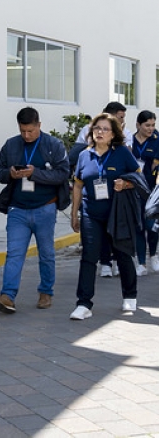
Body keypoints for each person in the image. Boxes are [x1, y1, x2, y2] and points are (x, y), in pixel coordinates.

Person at [0, 106, 70, 313]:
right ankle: (7, 295)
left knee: (47, 253)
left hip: (45, 207)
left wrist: (35, 173)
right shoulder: (11, 145)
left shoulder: (53, 145)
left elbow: (62, 174)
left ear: (39, 125)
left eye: (31, 131)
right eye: (23, 131)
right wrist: (10, 174)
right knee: (14, 253)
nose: (26, 135)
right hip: (18, 210)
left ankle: (45, 292)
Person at [70, 113, 141, 320]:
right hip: (91, 212)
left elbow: (138, 177)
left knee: (122, 254)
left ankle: (130, 295)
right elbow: (78, 185)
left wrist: (125, 184)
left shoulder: (121, 153)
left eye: (105, 129)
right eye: (96, 128)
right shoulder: (85, 155)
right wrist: (75, 213)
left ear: (113, 134)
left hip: (117, 213)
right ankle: (83, 303)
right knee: (89, 257)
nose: (99, 132)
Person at [132, 110, 159, 276]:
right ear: (138, 125)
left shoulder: (157, 140)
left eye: (153, 125)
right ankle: (141, 262)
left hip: (152, 190)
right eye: (147, 125)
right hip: (135, 189)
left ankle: (154, 255)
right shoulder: (130, 141)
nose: (150, 128)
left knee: (152, 225)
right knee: (139, 226)